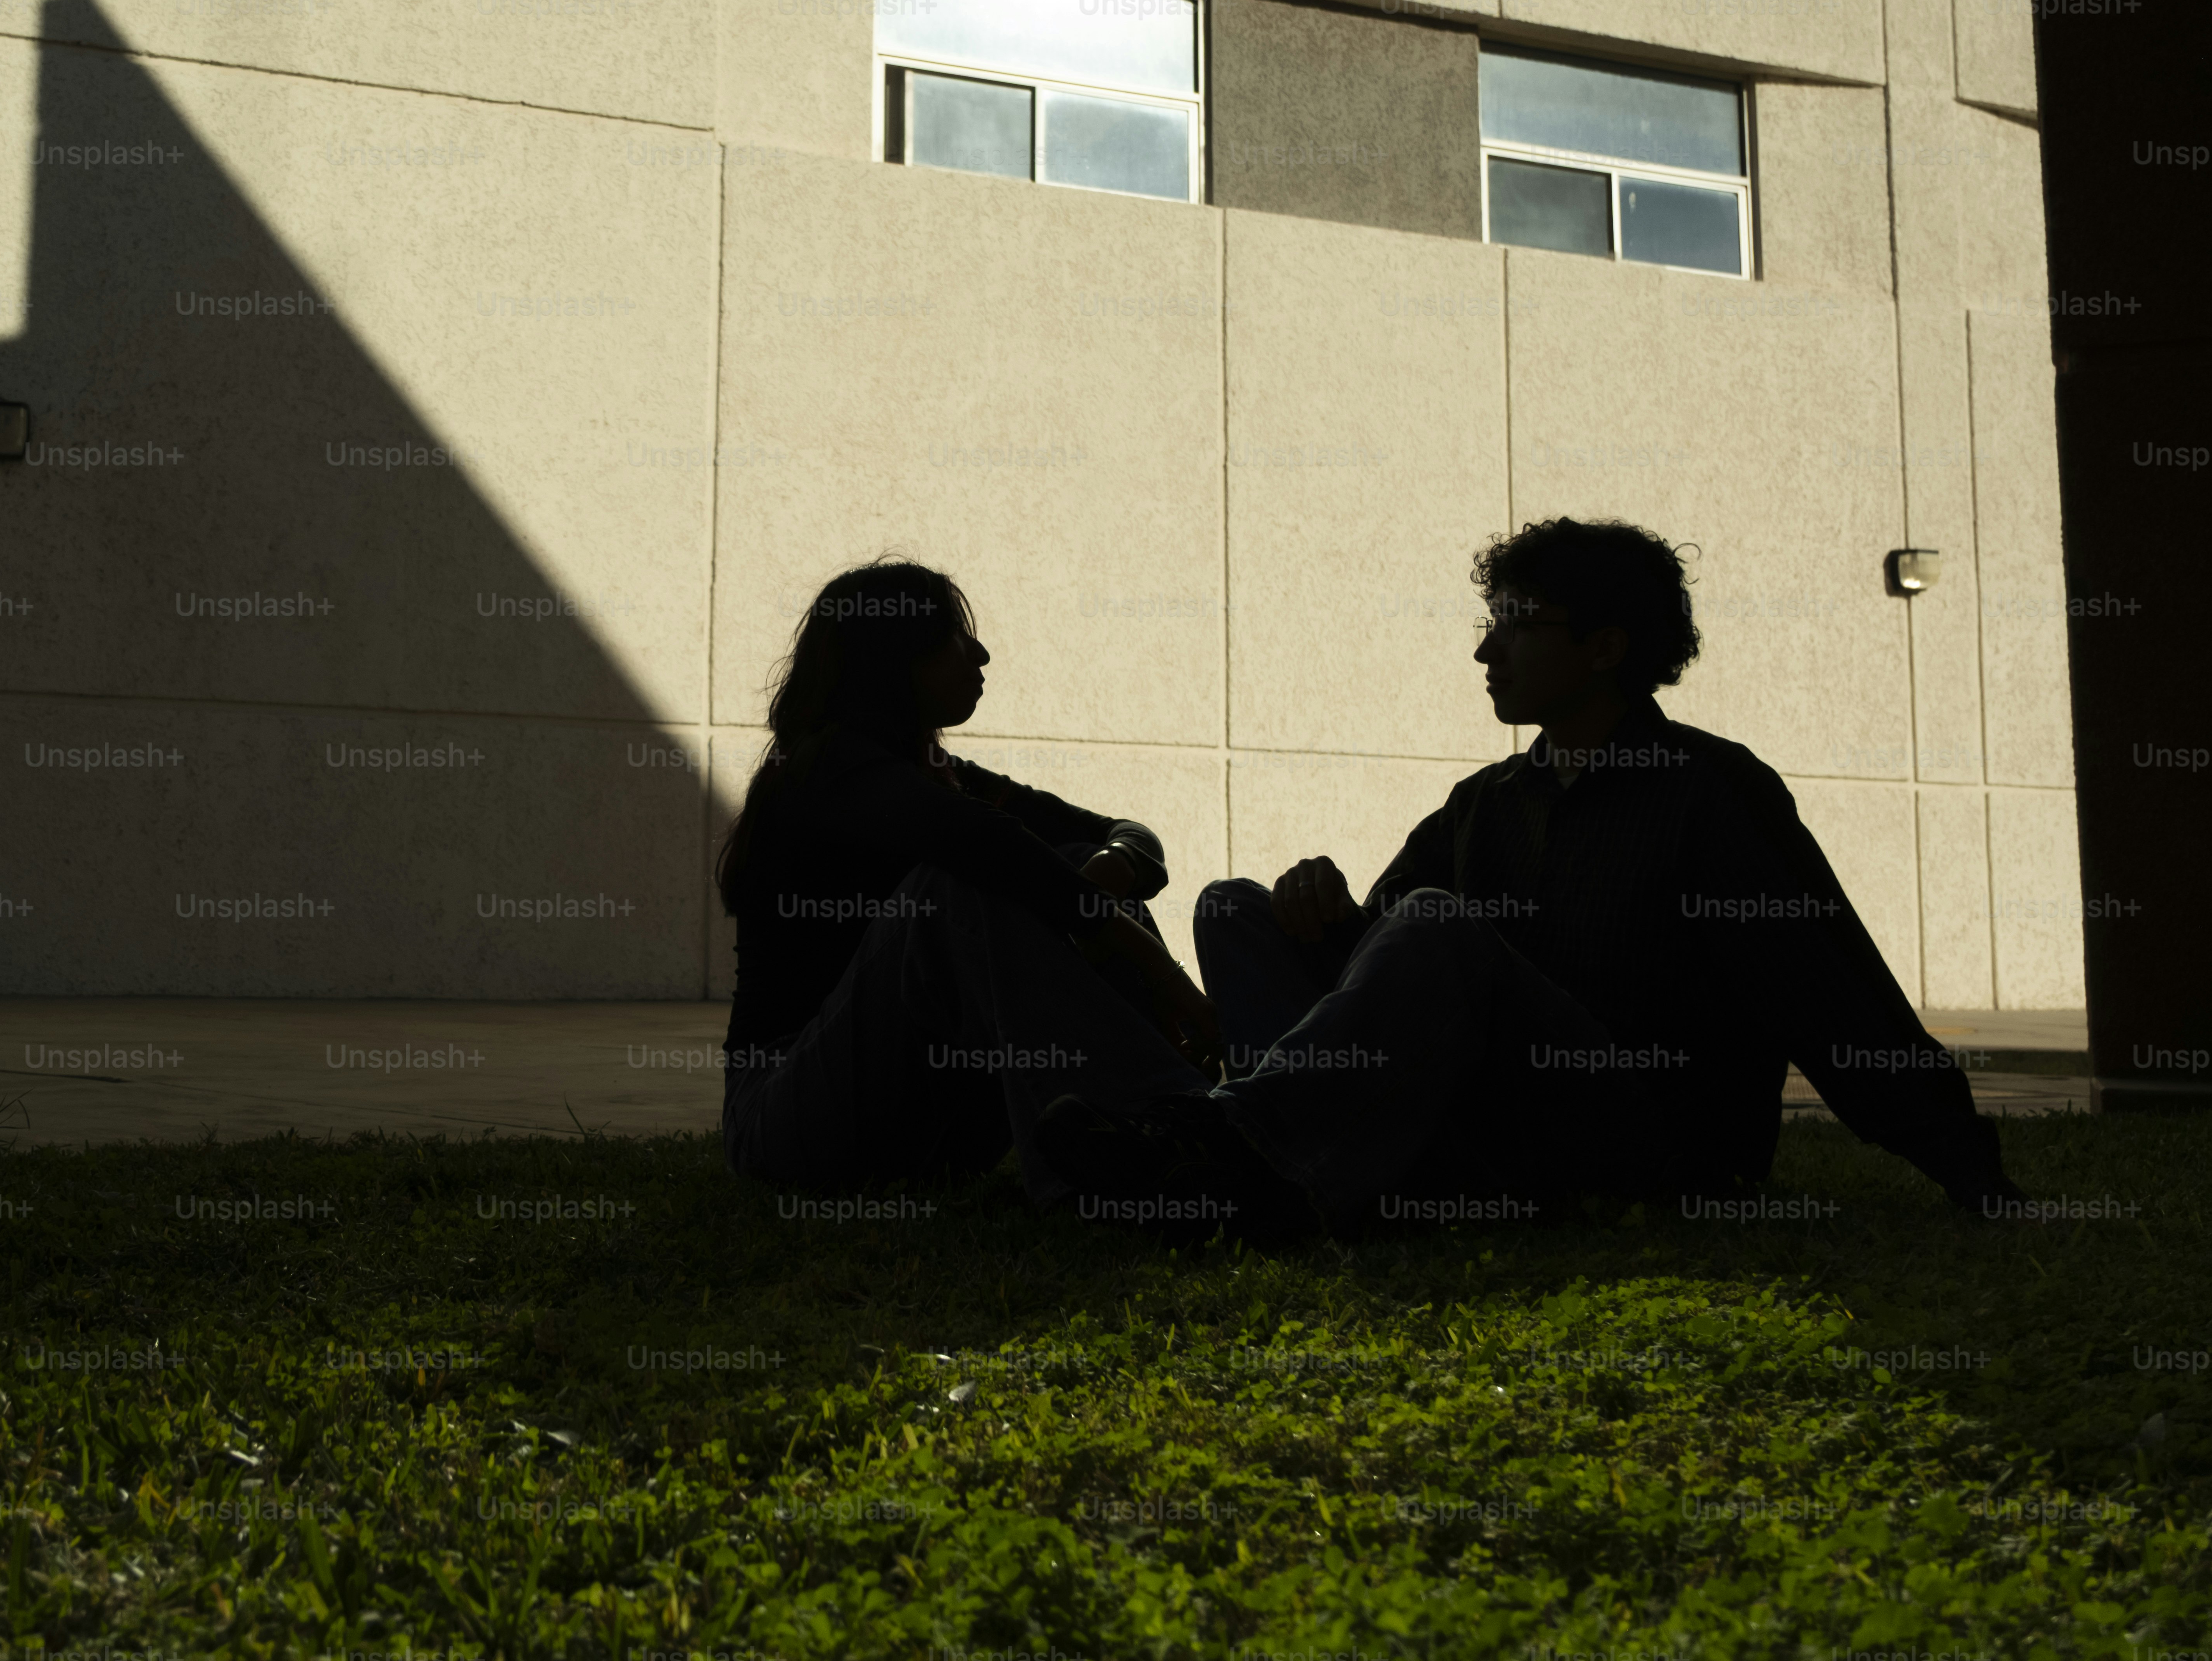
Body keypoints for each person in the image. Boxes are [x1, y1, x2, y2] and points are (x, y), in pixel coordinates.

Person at [1037, 517, 2033, 1243]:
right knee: (1235, 907)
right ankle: (1278, 1168)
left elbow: (1830, 986)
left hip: (1647, 1143)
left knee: (1432, 919)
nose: (1485, 648)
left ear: (1605, 647)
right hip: (1494, 1126)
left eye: (1515, 625)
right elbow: (1379, 970)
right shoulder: (1487, 800)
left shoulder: (1709, 789)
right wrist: (1317, 902)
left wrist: (1970, 1169)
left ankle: (1230, 1159)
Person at [718, 560, 1295, 1221]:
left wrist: (1113, 869)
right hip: (783, 1120)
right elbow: (981, 845)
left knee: (1072, 863)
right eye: (955, 638)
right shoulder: (824, 775)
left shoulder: (943, 777)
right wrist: (1159, 970)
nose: (982, 654)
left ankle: (1157, 1134)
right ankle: (1189, 1131)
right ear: (893, 658)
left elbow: (1127, 833)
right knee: (963, 887)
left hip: (926, 1126)